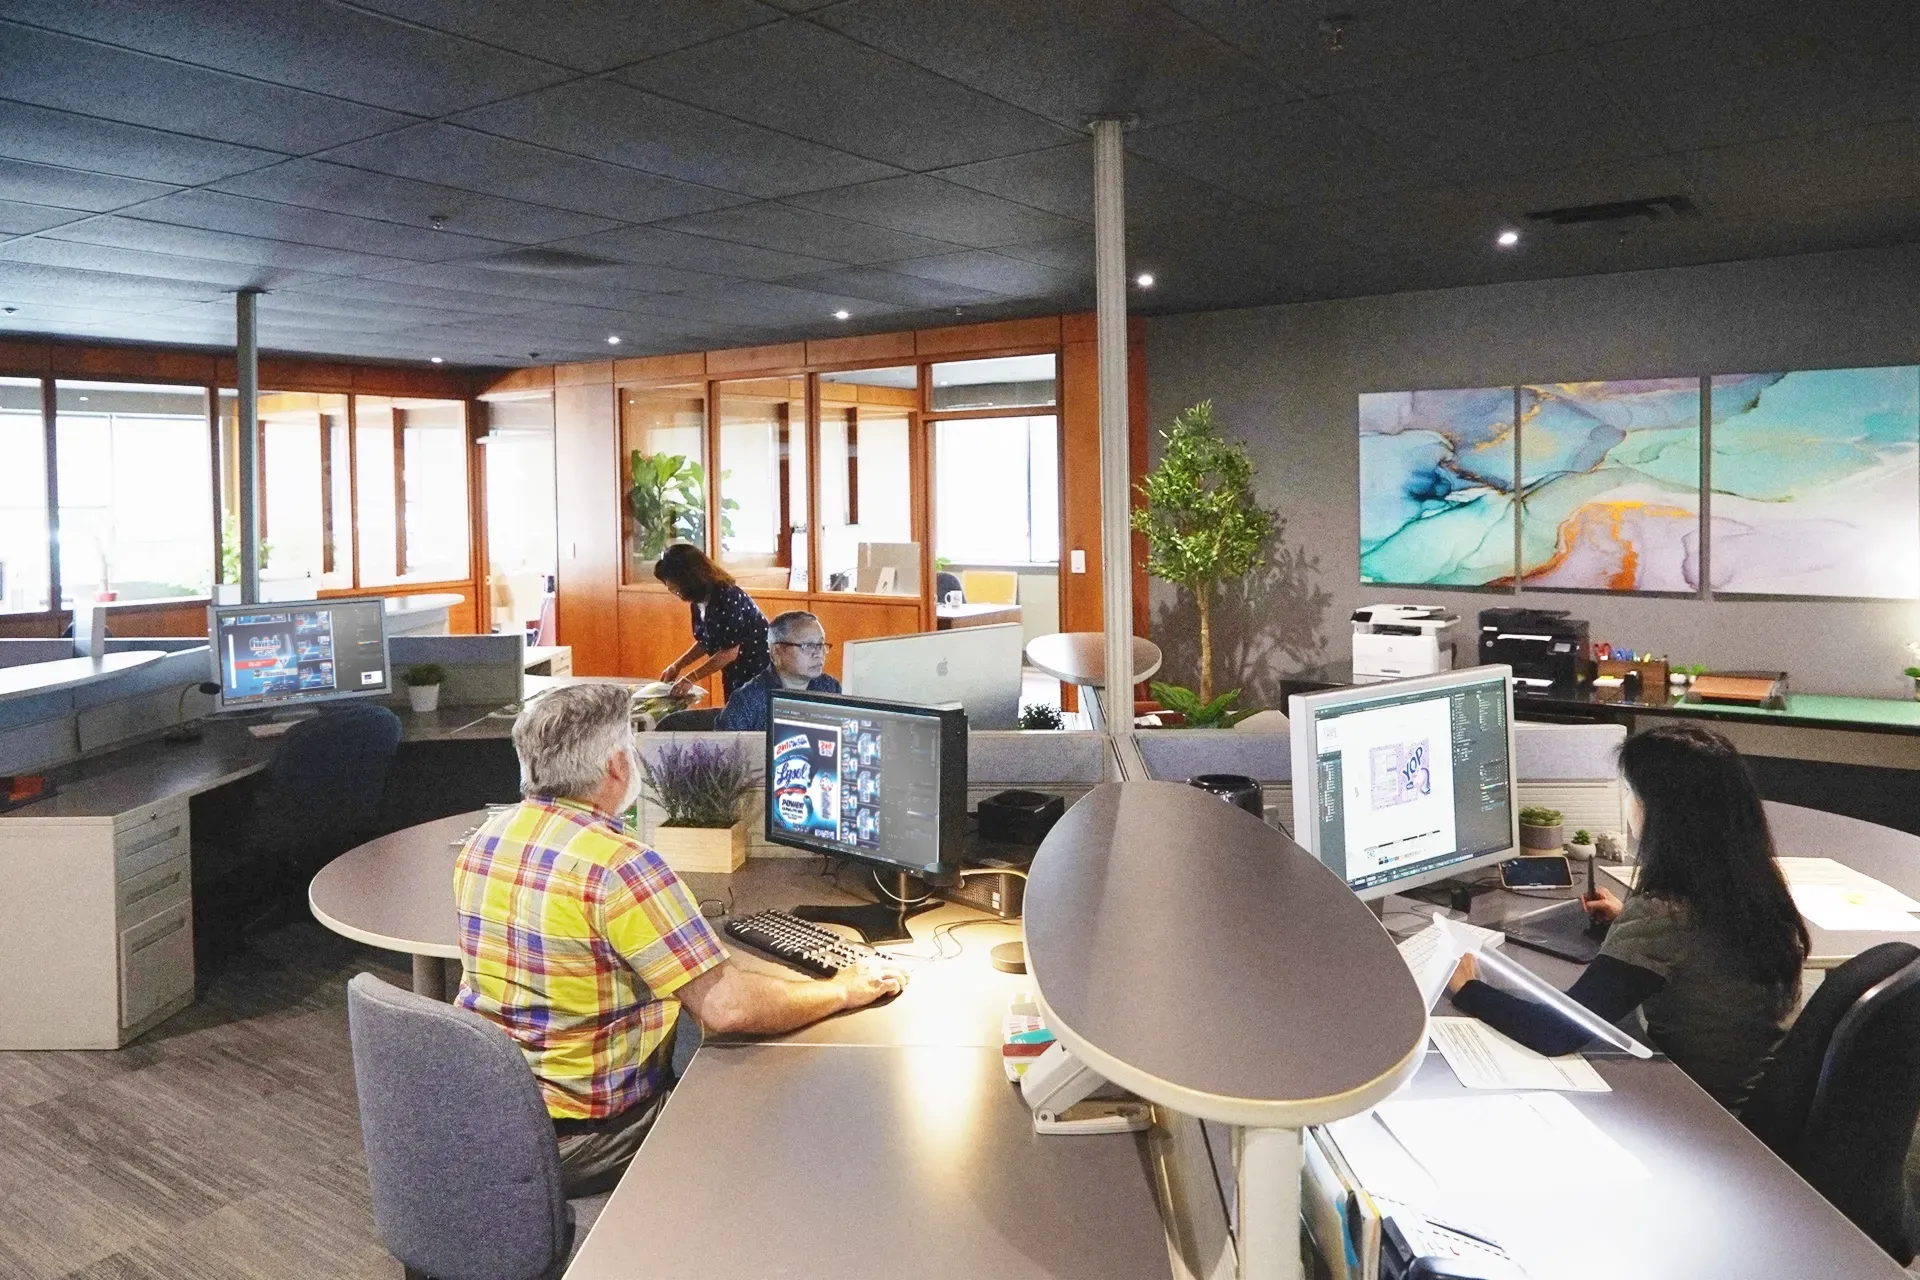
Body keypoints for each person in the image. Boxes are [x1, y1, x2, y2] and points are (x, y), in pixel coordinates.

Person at [454, 683, 908, 1195]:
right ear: (617, 767)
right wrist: (842, 989)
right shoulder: (619, 866)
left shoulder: (487, 839)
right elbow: (727, 1008)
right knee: (776, 1101)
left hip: (494, 1110)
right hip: (586, 1134)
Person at [1447, 722, 1808, 1112]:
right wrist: (1627, 921)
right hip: (1745, 1093)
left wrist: (1468, 989)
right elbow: (1701, 949)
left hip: (1702, 1112)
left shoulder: (1665, 915)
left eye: (1631, 794)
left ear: (1659, 814)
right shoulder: (1751, 884)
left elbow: (1556, 1032)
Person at [654, 543, 770, 702]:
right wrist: (678, 665)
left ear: (689, 577)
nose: (670, 589)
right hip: (735, 673)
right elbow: (706, 641)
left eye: (675, 586)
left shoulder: (726, 596)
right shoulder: (699, 598)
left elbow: (729, 651)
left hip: (757, 671)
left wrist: (691, 678)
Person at [715, 611, 841, 732]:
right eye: (807, 646)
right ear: (776, 651)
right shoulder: (747, 700)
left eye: (821, 644)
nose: (818, 653)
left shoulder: (830, 688)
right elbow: (723, 750)